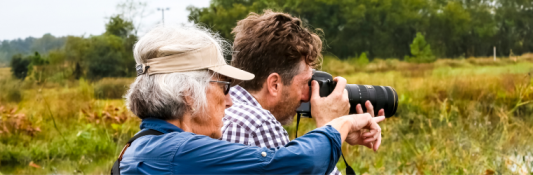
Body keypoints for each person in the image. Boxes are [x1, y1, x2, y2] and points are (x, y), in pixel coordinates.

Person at [116, 25, 384, 174]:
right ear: (188, 94)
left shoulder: (143, 147)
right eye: (223, 86)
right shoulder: (181, 153)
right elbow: (292, 164)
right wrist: (339, 126)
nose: (230, 100)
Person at [220, 11, 384, 175]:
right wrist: (330, 131)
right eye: (305, 83)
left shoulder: (221, 110)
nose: (308, 97)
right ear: (274, 84)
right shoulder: (258, 125)